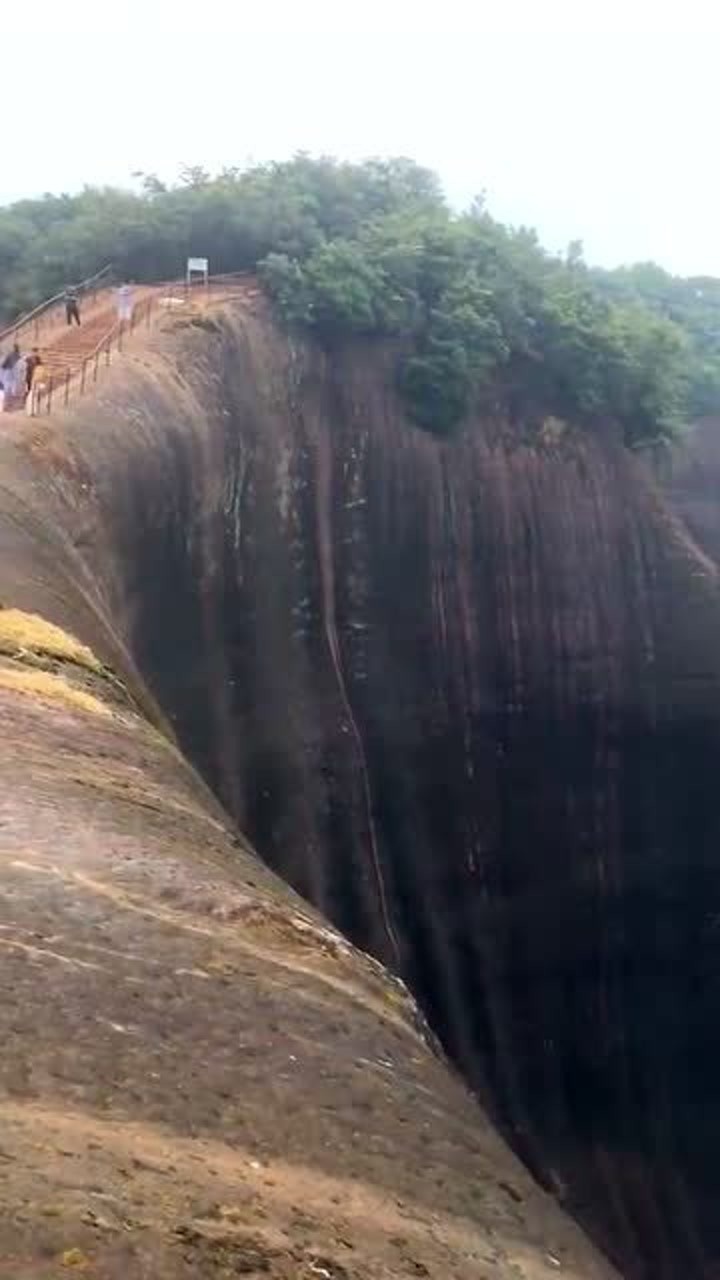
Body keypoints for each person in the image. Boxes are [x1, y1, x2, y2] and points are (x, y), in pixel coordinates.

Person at [26, 352, 47, 417]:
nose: (33, 361)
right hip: (39, 384)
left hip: (37, 384)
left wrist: (33, 384)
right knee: (33, 398)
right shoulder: (41, 367)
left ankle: (31, 412)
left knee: (30, 398)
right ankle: (34, 411)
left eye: (34, 360)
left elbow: (37, 377)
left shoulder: (38, 368)